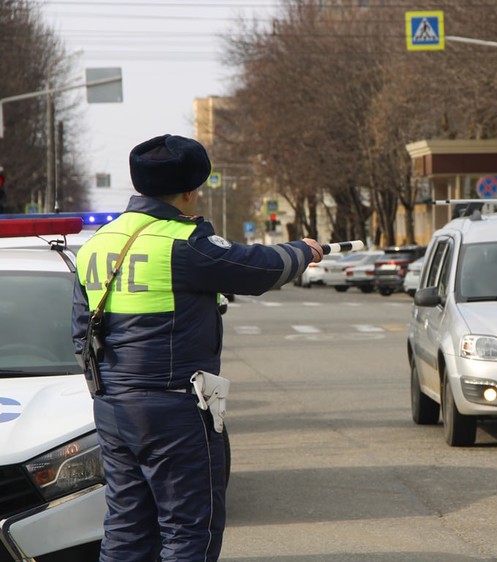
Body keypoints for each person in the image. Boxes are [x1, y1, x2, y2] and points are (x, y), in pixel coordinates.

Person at [71, 134, 323, 562]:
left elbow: (80, 334)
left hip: (113, 409)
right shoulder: (182, 243)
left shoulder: (96, 245)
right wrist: (303, 250)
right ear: (189, 191)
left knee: (126, 529)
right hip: (173, 412)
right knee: (190, 531)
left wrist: (109, 393)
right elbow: (259, 269)